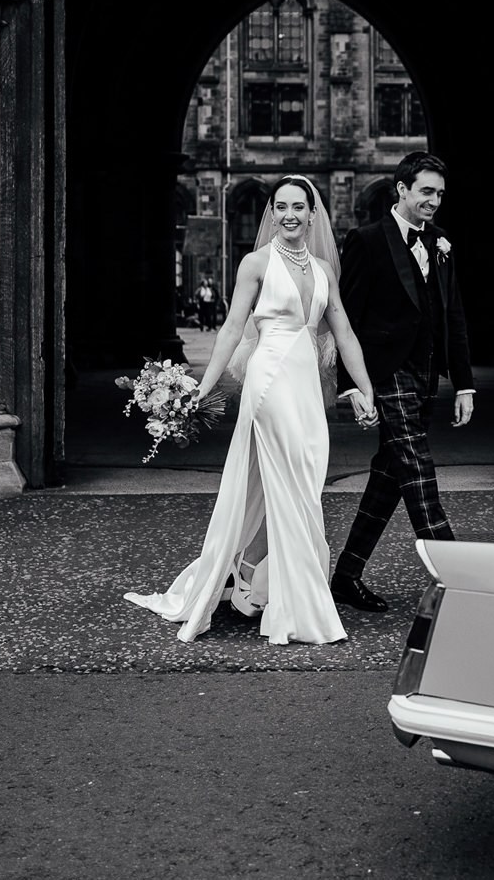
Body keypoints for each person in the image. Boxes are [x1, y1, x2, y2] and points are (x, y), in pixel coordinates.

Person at [125, 175, 377, 645]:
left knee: (305, 477)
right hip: (269, 383)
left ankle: (249, 571)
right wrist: (202, 386)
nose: (289, 216)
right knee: (291, 482)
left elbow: (342, 330)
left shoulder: (324, 268)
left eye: (298, 207)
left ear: (312, 213)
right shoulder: (255, 263)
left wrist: (365, 388)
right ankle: (296, 603)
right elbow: (231, 329)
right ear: (271, 213)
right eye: (280, 207)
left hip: (305, 386)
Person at [330, 151, 475, 613]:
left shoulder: (442, 241)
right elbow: (345, 318)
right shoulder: (367, 241)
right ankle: (458, 577)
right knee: (416, 468)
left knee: (388, 478)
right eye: (426, 192)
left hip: (427, 375)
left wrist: (465, 384)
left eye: (440, 194)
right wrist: (351, 385)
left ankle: (346, 576)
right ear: (402, 190)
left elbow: (452, 314)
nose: (434, 201)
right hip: (387, 373)